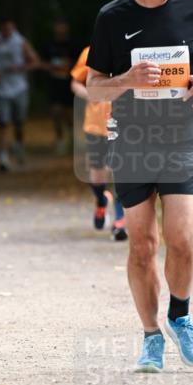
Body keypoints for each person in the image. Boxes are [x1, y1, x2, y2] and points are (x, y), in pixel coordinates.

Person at [87, 0, 193, 372]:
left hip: (181, 140)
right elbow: (92, 87)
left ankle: (180, 316)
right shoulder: (111, 17)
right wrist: (127, 79)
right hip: (133, 146)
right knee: (142, 245)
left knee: (181, 240)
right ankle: (150, 337)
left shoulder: (192, 5)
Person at [70, 45, 127, 240]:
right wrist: (90, 94)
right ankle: (101, 199)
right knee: (97, 174)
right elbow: (75, 83)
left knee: (121, 170)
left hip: (123, 123)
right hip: (95, 124)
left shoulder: (130, 50)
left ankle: (120, 220)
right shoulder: (90, 52)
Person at [0, 18, 40, 171]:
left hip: (19, 88)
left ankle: (19, 145)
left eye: (10, 29)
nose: (7, 32)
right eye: (5, 29)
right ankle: (3, 157)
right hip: (1, 89)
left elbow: (35, 62)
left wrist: (19, 67)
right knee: (3, 123)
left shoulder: (20, 42)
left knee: (19, 122)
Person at [41, 17, 77, 155]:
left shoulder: (73, 45)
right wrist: (52, 66)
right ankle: (60, 139)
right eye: (58, 26)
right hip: (54, 83)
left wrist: (68, 66)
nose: (60, 29)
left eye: (62, 26)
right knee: (56, 112)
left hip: (69, 84)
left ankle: (72, 138)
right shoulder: (49, 45)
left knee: (69, 114)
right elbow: (42, 62)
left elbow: (81, 63)